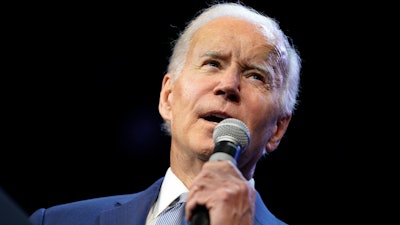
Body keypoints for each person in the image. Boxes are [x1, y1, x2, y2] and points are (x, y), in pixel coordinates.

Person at [29, 1, 301, 225]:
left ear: (278, 128)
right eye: (212, 63)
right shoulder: (54, 222)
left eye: (255, 75)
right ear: (168, 98)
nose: (228, 85)